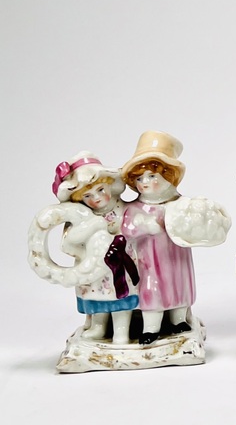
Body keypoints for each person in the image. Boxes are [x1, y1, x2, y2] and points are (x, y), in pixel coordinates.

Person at [43, 152, 139, 344]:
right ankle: (99, 326)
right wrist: (92, 228)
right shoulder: (81, 217)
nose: (97, 198)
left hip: (119, 263)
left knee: (122, 296)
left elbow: (133, 231)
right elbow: (68, 243)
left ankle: (121, 330)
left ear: (110, 185)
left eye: (101, 190)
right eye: (87, 195)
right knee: (97, 297)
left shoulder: (123, 209)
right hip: (91, 267)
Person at [120, 131, 196, 344]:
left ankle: (179, 320)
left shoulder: (180, 204)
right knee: (152, 291)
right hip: (149, 262)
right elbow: (127, 229)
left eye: (152, 176)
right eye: (139, 178)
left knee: (180, 286)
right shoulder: (135, 208)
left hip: (176, 257)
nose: (144, 182)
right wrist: (144, 226)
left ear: (168, 176)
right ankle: (150, 328)